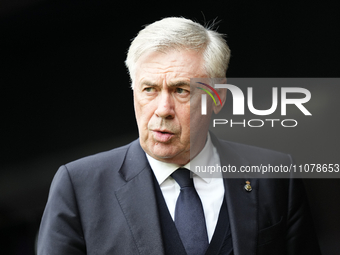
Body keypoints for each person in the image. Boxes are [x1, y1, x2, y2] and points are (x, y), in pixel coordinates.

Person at [37, 17, 320, 255]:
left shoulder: (273, 176)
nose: (163, 110)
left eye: (180, 90)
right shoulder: (79, 186)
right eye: (149, 89)